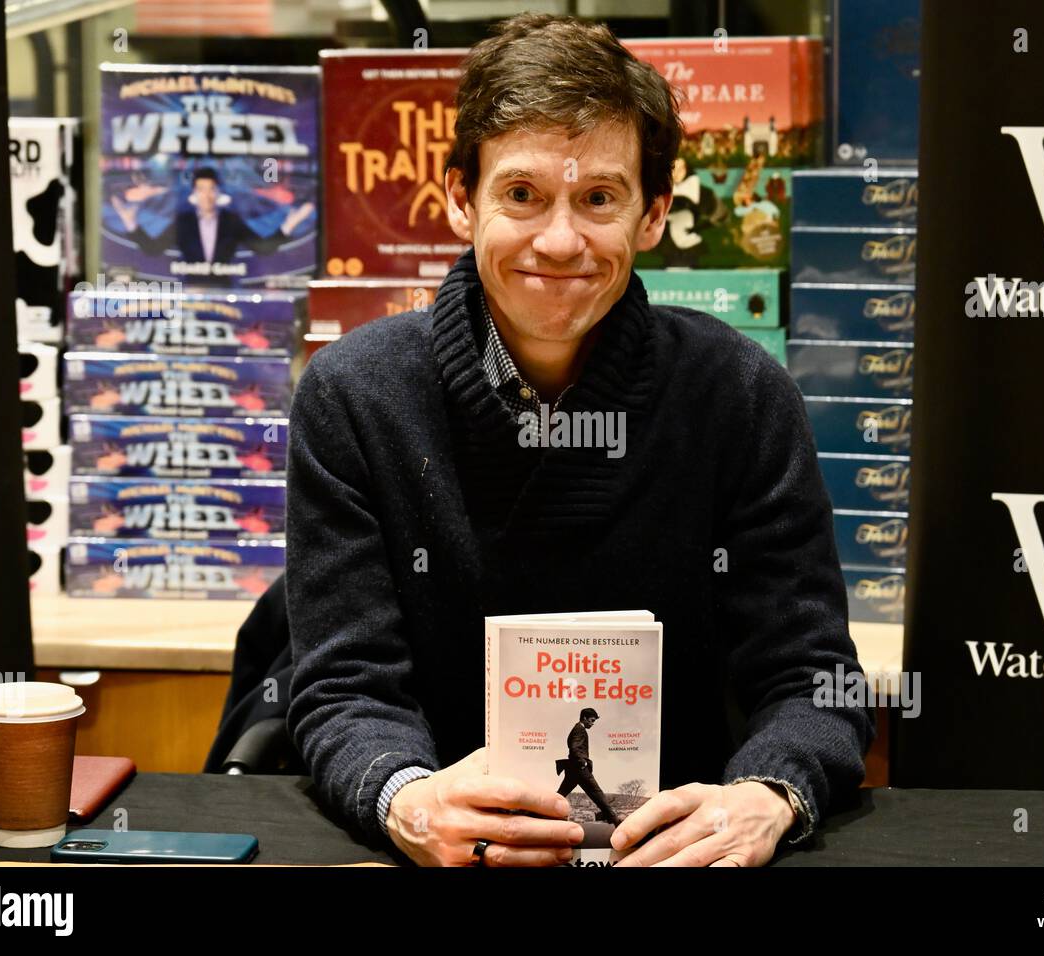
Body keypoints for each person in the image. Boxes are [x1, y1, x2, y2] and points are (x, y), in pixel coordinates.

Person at [285, 13, 874, 868]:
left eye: (598, 198)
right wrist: (407, 800)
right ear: (460, 199)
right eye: (521, 195)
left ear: (654, 215)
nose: (559, 242)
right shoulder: (353, 397)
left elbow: (816, 679)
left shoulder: (741, 394)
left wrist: (767, 797)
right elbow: (343, 689)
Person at [110, 167, 313, 265]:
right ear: (194, 193)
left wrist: (290, 223)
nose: (206, 195)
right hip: (188, 297)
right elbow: (152, 248)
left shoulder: (231, 221)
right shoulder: (184, 222)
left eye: (211, 189)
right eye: (201, 189)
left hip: (228, 293)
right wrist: (131, 223)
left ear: (218, 192)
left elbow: (264, 247)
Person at [555, 708, 621, 826]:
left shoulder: (577, 728)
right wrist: (582, 763)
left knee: (560, 794)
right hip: (580, 769)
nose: (592, 723)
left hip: (573, 769)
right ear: (584, 718)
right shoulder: (579, 730)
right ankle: (615, 820)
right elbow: (574, 747)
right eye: (591, 720)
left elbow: (574, 748)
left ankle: (545, 812)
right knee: (596, 792)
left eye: (594, 721)